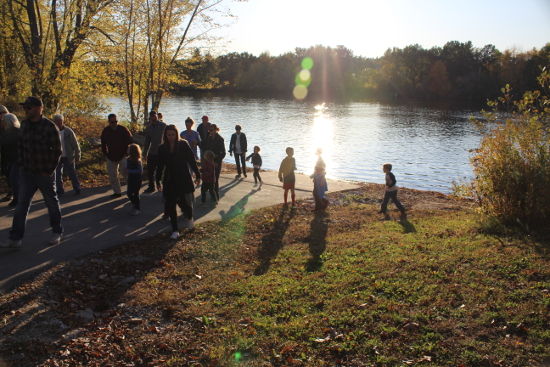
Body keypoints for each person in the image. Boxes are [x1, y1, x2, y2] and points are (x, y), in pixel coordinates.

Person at [0, 97, 63, 248]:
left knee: (51, 203)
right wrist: (21, 165)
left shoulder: (49, 127)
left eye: (29, 107)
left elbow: (57, 152)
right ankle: (15, 238)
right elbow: (20, 146)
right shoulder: (25, 125)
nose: (26, 110)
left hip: (44, 173)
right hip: (27, 173)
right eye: (25, 107)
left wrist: (48, 171)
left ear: (39, 109)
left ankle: (56, 232)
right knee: (21, 205)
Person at [156, 125, 201, 240]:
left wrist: (197, 175)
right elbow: (160, 166)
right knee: (171, 204)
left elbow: (191, 160)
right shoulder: (162, 148)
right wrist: (157, 181)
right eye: (169, 135)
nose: (171, 137)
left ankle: (190, 219)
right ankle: (175, 230)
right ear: (165, 135)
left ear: (176, 134)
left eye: (173, 135)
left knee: (186, 202)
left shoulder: (183, 144)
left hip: (183, 178)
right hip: (170, 180)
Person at [101, 113, 133, 198]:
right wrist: (105, 153)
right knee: (112, 175)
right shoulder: (106, 131)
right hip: (111, 156)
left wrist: (127, 153)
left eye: (116, 121)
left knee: (126, 174)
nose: (114, 123)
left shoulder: (123, 129)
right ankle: (117, 192)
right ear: (109, 122)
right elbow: (103, 143)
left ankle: (131, 191)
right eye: (112, 122)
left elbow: (130, 141)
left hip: (122, 156)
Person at [53, 114, 81, 195]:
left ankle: (77, 188)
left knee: (72, 173)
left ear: (63, 121)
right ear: (54, 122)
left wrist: (77, 155)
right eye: (57, 121)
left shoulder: (68, 131)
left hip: (68, 156)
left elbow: (75, 144)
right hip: (57, 157)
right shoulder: (53, 131)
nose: (59, 122)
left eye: (60, 120)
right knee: (57, 175)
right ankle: (60, 190)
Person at [142, 111, 166, 193]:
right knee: (150, 171)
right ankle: (151, 186)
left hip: (161, 152)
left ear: (157, 116)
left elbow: (168, 138)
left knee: (161, 170)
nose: (153, 117)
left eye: (154, 116)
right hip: (152, 152)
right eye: (151, 116)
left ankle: (162, 184)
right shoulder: (149, 128)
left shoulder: (163, 126)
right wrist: (145, 153)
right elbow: (147, 141)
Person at [0, 113, 21, 206]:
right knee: (13, 177)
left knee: (13, 177)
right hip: (13, 159)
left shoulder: (16, 131)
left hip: (18, 160)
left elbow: (4, 142)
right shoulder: (9, 131)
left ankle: (17, 198)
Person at [205, 124, 225, 201]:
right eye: (209, 130)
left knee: (215, 179)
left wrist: (217, 161)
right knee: (209, 178)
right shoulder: (209, 138)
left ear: (216, 130)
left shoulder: (220, 139)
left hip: (216, 161)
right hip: (209, 161)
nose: (209, 131)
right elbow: (207, 149)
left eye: (211, 130)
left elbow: (223, 153)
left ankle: (216, 195)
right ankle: (211, 193)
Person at [0, 105, 13, 202]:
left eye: (1, 113)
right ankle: (10, 191)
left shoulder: (9, 123)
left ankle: (11, 192)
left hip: (11, 153)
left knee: (10, 173)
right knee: (6, 172)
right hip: (4, 152)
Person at [126, 144, 143, 216]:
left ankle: (137, 208)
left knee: (136, 193)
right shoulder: (128, 159)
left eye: (129, 149)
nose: (127, 151)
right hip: (130, 178)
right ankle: (134, 203)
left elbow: (140, 170)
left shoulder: (137, 160)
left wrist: (130, 171)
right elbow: (127, 167)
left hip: (137, 179)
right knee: (129, 193)